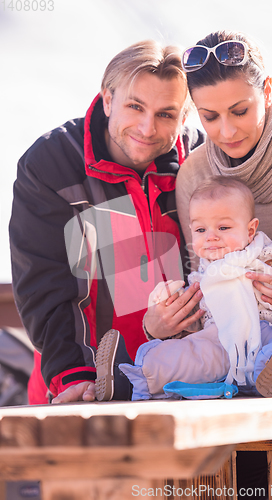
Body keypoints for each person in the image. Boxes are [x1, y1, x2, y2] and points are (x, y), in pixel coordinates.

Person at [9, 40, 205, 405]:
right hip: (84, 381)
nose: (147, 128)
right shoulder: (52, 164)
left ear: (184, 117)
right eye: (135, 106)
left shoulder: (199, 162)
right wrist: (72, 374)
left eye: (166, 114)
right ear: (107, 98)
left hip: (182, 379)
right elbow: (42, 281)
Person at [168, 29, 272, 397]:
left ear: (266, 90)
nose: (226, 131)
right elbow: (203, 270)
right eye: (209, 117)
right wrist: (163, 323)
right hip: (241, 341)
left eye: (240, 111)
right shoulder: (195, 176)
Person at [108, 177, 272, 400]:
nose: (211, 237)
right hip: (224, 342)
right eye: (200, 230)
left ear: (250, 231)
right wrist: (171, 304)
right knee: (189, 354)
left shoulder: (268, 254)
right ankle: (132, 378)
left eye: (223, 227)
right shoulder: (202, 279)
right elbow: (195, 320)